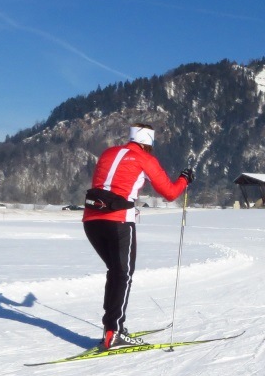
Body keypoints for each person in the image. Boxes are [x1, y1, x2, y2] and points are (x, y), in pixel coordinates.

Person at [82, 123, 194, 350]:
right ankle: (114, 332)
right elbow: (170, 193)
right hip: (119, 221)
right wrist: (185, 179)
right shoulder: (145, 159)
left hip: (91, 220)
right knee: (123, 274)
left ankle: (111, 328)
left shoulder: (108, 152)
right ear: (149, 143)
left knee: (116, 272)